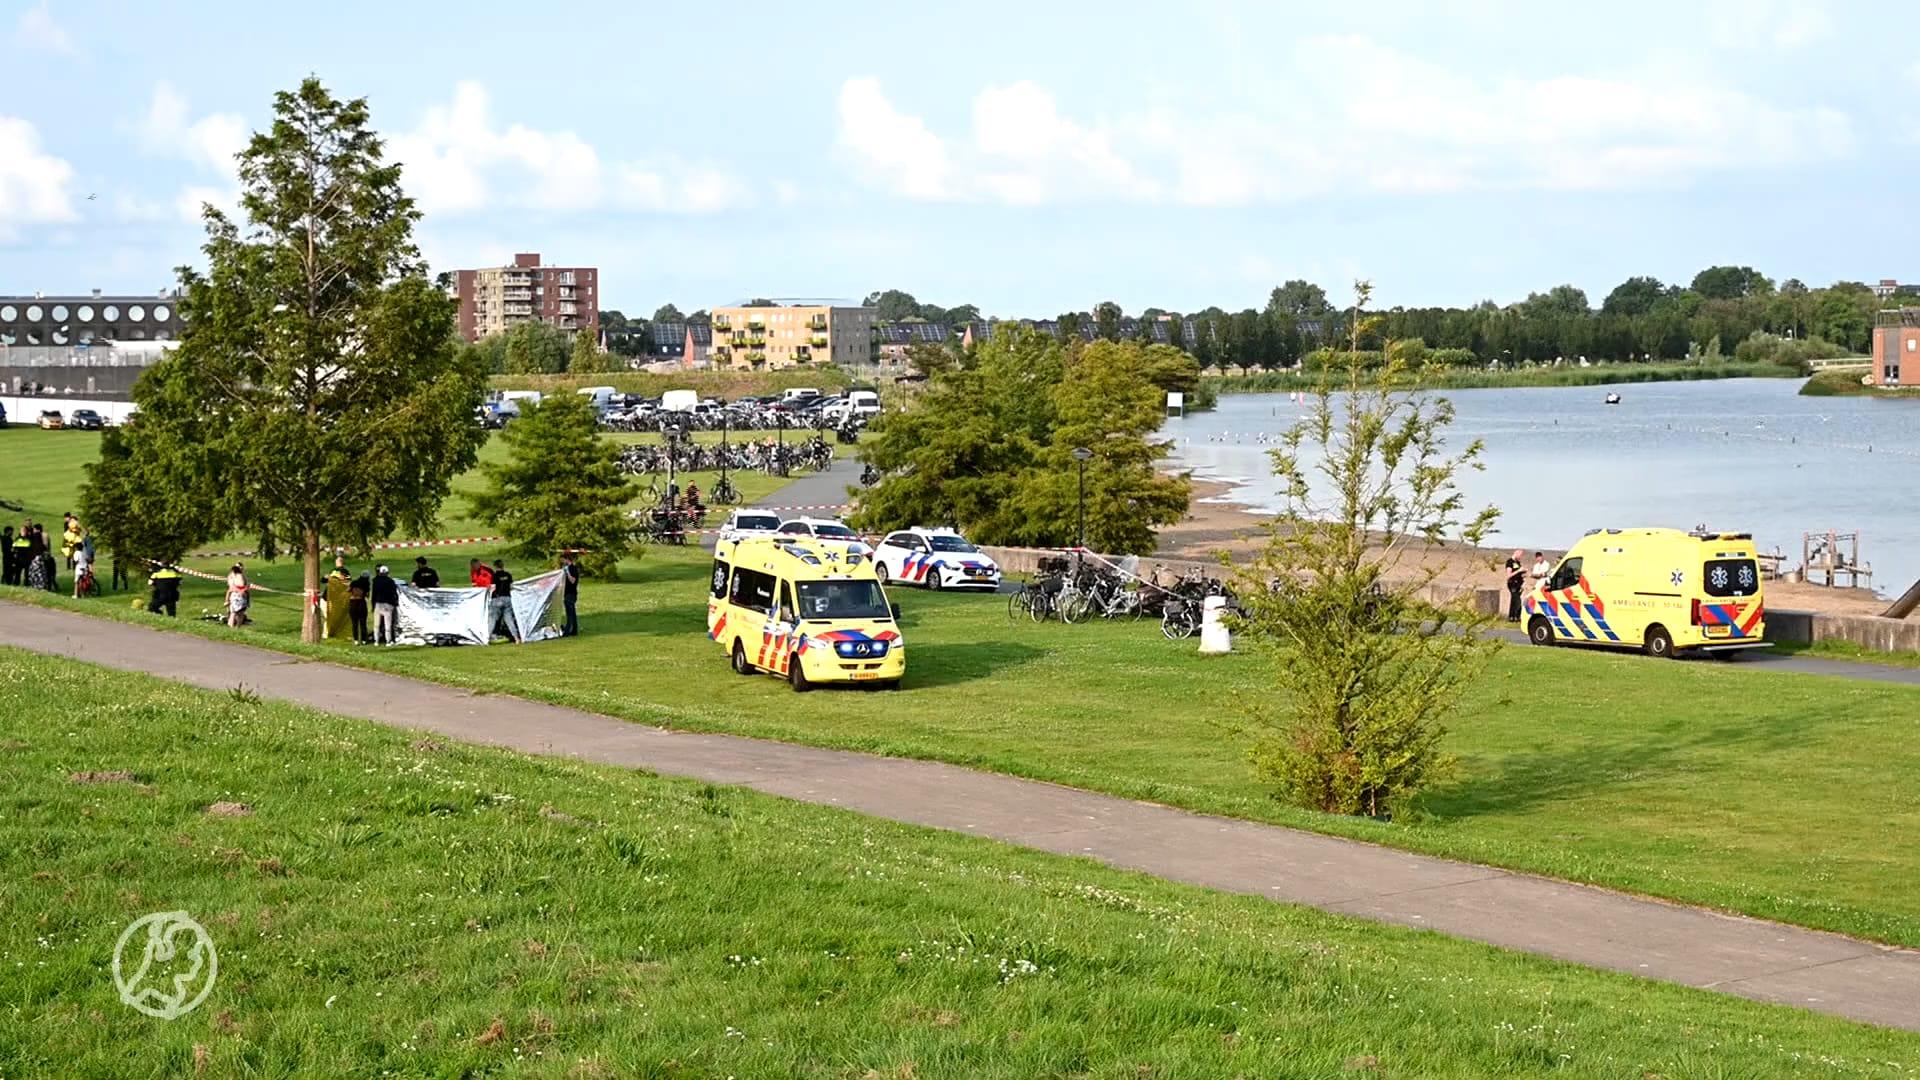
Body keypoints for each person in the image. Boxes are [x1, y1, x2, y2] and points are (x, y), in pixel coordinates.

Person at [488, 559, 515, 642]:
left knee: (492, 619)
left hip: (497, 599)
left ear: (495, 566)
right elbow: (511, 587)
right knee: (509, 619)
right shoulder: (508, 575)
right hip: (507, 598)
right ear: (503, 566)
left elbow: (493, 588)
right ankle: (516, 638)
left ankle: (487, 638)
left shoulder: (494, 576)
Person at [371, 564, 399, 645]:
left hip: (378, 604)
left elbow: (374, 594)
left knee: (377, 624)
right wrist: (395, 603)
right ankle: (388, 641)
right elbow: (394, 593)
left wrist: (373, 605)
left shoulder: (375, 581)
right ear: (387, 572)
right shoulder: (390, 581)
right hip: (388, 604)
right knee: (388, 625)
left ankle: (376, 641)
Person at [559, 552, 580, 637]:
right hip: (567, 593)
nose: (562, 561)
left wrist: (567, 573)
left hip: (570, 594)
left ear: (567, 559)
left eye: (563, 560)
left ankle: (568, 630)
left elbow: (573, 581)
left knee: (570, 613)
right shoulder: (567, 568)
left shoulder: (573, 569)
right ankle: (574, 630)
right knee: (572, 613)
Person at [347, 571, 371, 644]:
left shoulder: (354, 582)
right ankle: (364, 640)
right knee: (363, 623)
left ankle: (356, 640)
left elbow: (348, 590)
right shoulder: (366, 584)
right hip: (361, 603)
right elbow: (367, 595)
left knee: (354, 623)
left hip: (353, 603)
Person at [225, 562, 250, 628]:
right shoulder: (232, 575)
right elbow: (231, 588)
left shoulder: (242, 576)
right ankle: (233, 626)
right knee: (235, 613)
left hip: (240, 595)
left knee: (238, 613)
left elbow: (247, 585)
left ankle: (235, 627)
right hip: (236, 595)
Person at [1504, 548, 1526, 623]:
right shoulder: (1510, 562)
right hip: (1512, 583)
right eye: (1520, 555)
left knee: (1514, 600)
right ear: (1516, 553)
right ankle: (1517, 617)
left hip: (1518, 584)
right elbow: (1509, 575)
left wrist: (1522, 574)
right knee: (1517, 601)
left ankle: (1512, 617)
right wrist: (1519, 571)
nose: (1520, 557)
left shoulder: (1518, 563)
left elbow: (1518, 573)